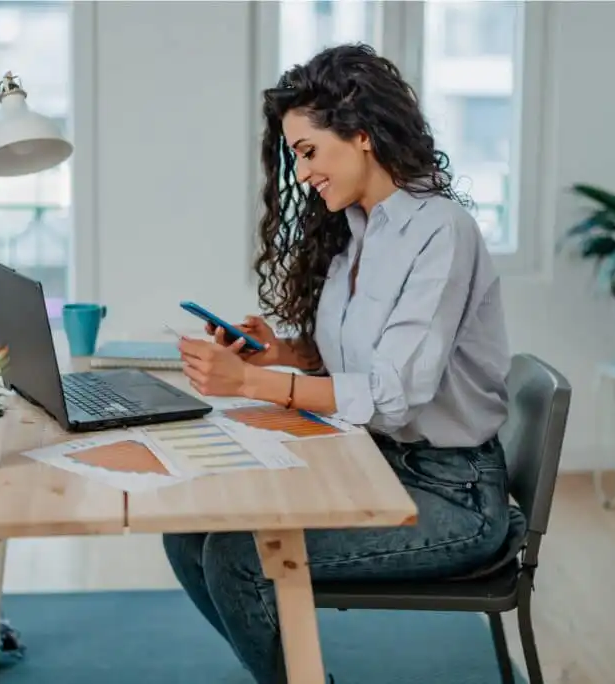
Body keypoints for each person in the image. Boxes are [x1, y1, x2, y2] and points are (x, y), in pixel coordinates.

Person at [165, 43, 514, 684]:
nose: (301, 175)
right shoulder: (359, 228)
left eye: (308, 152)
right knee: (188, 534)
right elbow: (355, 355)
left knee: (237, 559)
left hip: (451, 495)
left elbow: (392, 394)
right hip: (374, 461)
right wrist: (280, 352)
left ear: (360, 135)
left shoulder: (441, 232)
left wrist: (252, 382)